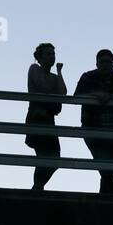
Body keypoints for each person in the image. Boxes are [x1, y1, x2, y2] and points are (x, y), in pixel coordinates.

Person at [74, 49, 113, 195]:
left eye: (108, 62)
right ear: (96, 63)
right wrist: (95, 94)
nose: (105, 65)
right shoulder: (88, 77)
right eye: (102, 62)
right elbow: (77, 96)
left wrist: (111, 96)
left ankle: (106, 198)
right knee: (106, 169)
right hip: (93, 129)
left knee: (111, 169)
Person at [26, 43, 66, 190]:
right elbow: (42, 86)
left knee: (55, 158)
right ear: (40, 57)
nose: (52, 57)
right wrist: (52, 97)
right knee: (43, 156)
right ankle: (37, 187)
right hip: (37, 118)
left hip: (49, 119)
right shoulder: (34, 68)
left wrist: (59, 72)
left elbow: (62, 94)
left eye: (53, 54)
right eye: (48, 54)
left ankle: (37, 186)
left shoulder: (55, 77)